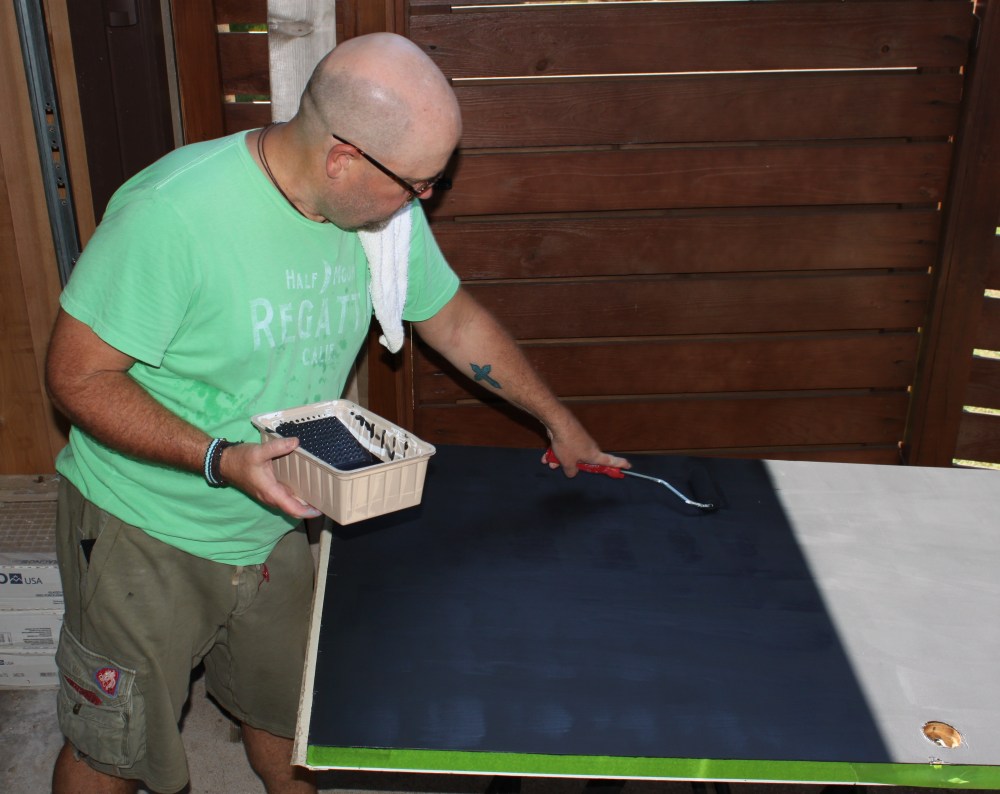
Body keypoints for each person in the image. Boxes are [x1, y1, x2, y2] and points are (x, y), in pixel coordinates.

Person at [45, 32, 630, 794]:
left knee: (294, 727)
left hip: (278, 518)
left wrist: (557, 419)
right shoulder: (173, 216)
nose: (426, 200)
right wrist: (221, 459)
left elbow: (452, 319)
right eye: (418, 183)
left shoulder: (378, 217)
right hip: (144, 529)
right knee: (111, 752)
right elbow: (76, 378)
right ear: (343, 158)